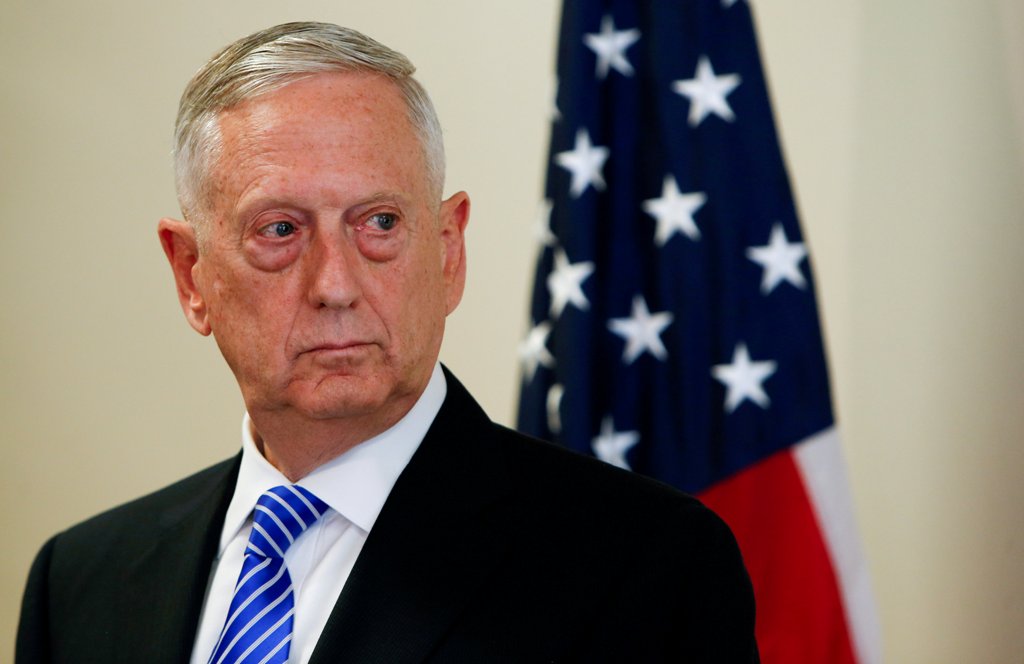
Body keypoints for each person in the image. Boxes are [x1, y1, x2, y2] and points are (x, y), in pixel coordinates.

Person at [16, 22, 758, 663]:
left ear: (448, 252)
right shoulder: (79, 582)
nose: (334, 284)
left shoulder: (651, 569)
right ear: (191, 276)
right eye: (280, 230)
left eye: (378, 223)